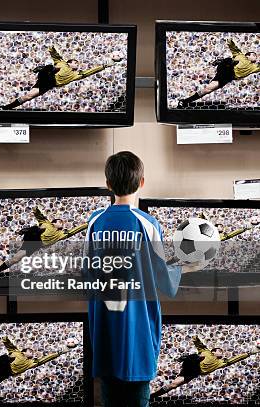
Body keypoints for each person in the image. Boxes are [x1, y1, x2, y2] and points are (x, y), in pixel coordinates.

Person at [84, 151, 202, 407]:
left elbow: (86, 273)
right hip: (137, 334)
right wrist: (184, 268)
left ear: (108, 184)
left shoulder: (94, 222)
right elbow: (163, 279)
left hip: (105, 331)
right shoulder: (148, 223)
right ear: (141, 183)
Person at [0, 336, 75, 405]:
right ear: (24, 351)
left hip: (5, 373)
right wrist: (5, 338)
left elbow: (45, 359)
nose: (32, 353)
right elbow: (9, 344)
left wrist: (59, 352)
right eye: (30, 351)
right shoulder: (17, 352)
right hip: (3, 364)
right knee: (9, 356)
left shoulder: (31, 363)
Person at [0, 45, 120, 110]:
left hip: (49, 83)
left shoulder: (76, 75)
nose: (77, 65)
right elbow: (54, 53)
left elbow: (90, 71)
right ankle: (43, 69)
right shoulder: (62, 62)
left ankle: (6, 108)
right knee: (52, 66)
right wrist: (52, 47)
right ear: (70, 62)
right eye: (76, 63)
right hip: (48, 75)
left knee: (28, 97)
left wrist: (104, 66)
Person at [0, 206, 88, 278]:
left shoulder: (61, 234)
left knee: (15, 259)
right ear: (54, 222)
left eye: (62, 223)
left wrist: (86, 224)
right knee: (38, 228)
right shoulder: (46, 223)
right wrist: (36, 208)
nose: (62, 223)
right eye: (60, 221)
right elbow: (38, 214)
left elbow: (74, 231)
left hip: (35, 245)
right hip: (32, 237)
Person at [151, 335, 259, 399]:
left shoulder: (221, 362)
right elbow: (199, 344)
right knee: (199, 356)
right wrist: (195, 338)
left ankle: (153, 396)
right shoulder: (206, 352)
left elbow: (235, 359)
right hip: (192, 363)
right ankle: (184, 358)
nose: (222, 352)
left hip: (194, 372)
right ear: (214, 351)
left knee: (174, 385)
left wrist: (248, 354)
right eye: (220, 350)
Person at [178, 39, 259, 108]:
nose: (256, 57)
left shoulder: (254, 67)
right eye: (254, 55)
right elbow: (232, 45)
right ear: (248, 55)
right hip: (226, 69)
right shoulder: (240, 55)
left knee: (207, 90)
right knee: (230, 60)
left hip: (228, 77)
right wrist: (229, 40)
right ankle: (223, 62)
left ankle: (185, 101)